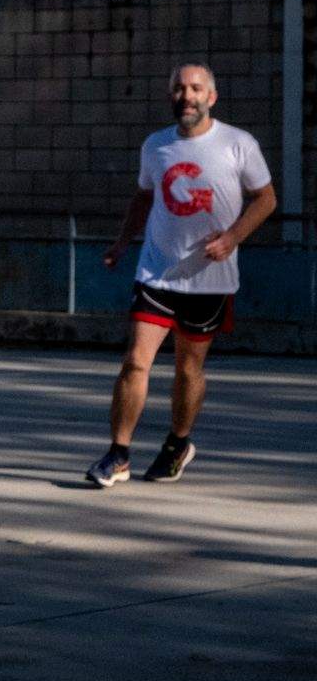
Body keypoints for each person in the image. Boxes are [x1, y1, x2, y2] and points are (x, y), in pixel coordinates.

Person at [87, 63, 275, 487]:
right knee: (135, 361)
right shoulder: (155, 146)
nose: (186, 96)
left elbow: (266, 199)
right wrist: (121, 243)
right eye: (178, 88)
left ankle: (178, 442)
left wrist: (232, 238)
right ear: (170, 96)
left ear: (211, 97)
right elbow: (144, 197)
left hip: (209, 278)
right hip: (156, 273)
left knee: (188, 371)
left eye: (195, 89)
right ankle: (118, 454)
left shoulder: (238, 143)